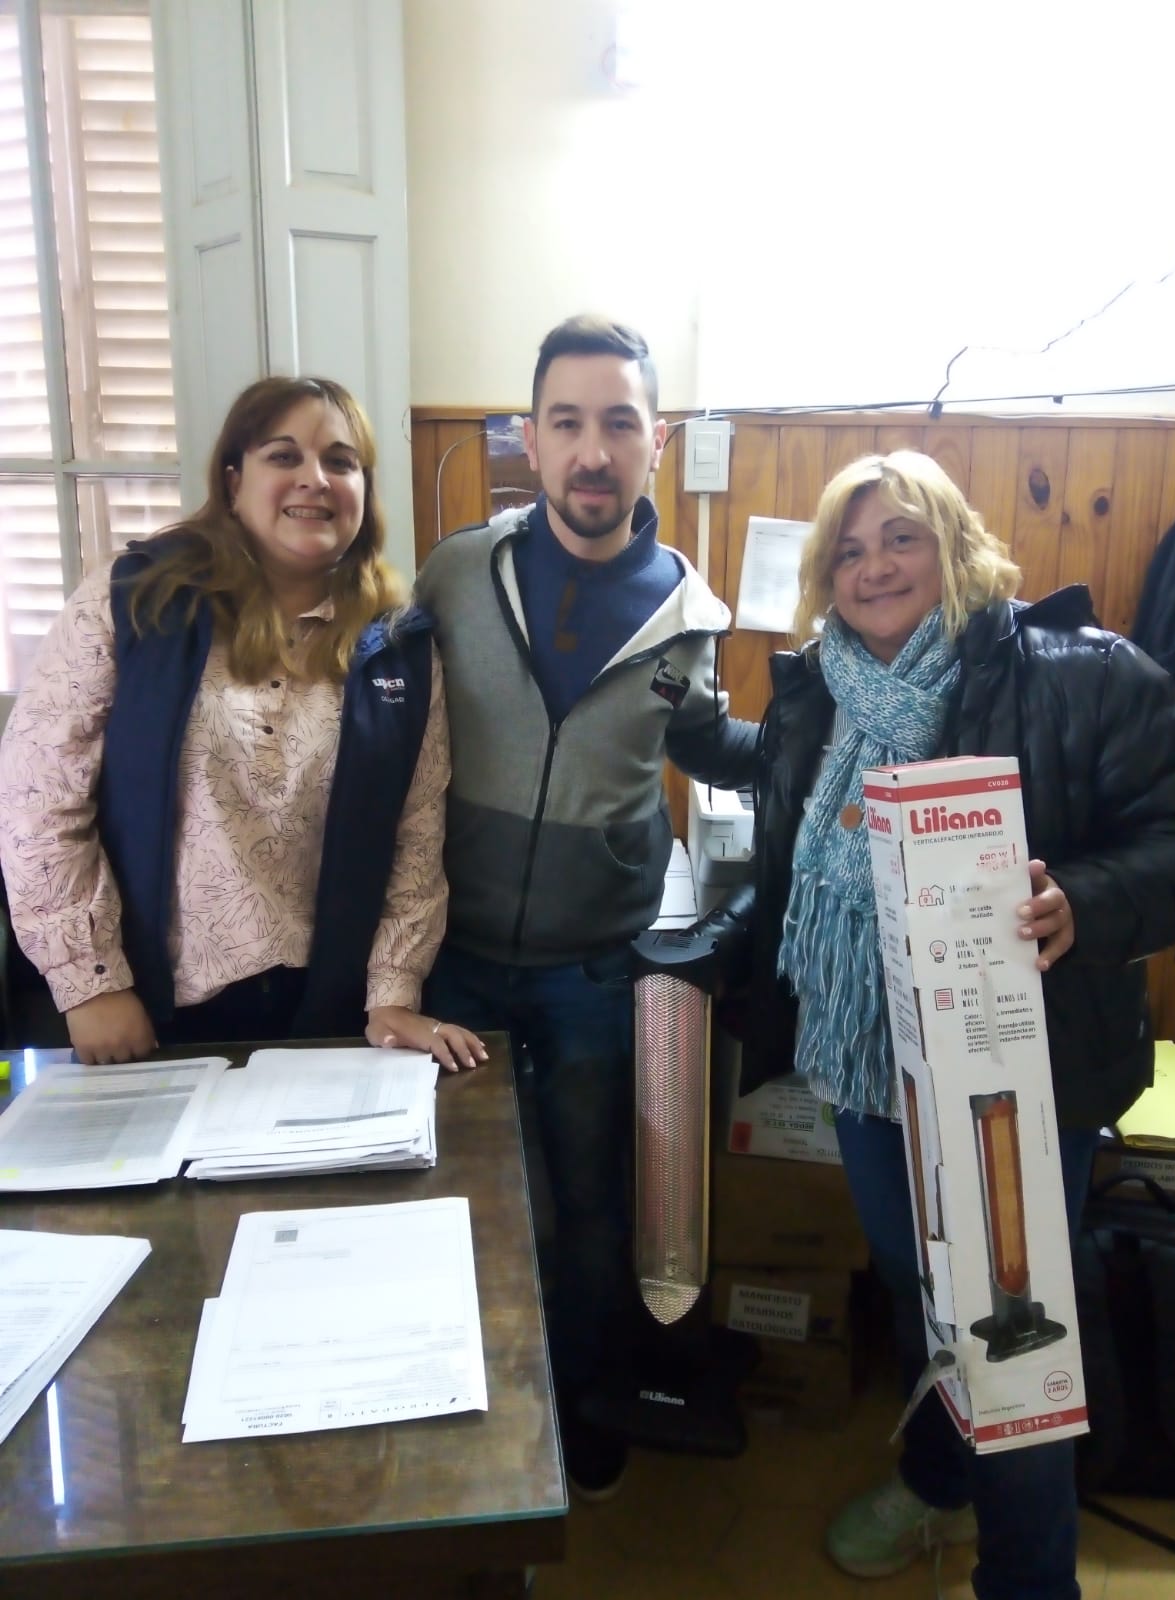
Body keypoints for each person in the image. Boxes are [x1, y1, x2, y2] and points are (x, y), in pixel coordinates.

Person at [701, 450, 1175, 1600]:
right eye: (850, 549)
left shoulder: (1080, 673)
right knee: (917, 1283)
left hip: (1020, 1067)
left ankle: (1028, 1579)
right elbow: (776, 804)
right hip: (867, 1063)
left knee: (1006, 1328)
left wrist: (1083, 901)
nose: (874, 566)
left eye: (902, 537)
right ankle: (938, 1479)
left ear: (956, 544)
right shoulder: (821, 690)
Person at [414, 314, 758, 1497]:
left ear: (658, 441)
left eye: (619, 423)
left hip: (595, 971)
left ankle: (584, 1402)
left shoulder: (691, 616)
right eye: (567, 422)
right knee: (454, 1195)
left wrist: (817, 732)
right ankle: (458, 1406)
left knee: (593, 1207)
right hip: (449, 964)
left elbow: (705, 741)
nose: (592, 451)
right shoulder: (458, 571)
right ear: (531, 436)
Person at [0, 375, 484, 1072]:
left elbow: (416, 832)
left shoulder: (399, 645)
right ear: (233, 482)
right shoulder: (132, 601)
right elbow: (38, 796)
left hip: (328, 1017)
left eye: (341, 462)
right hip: (143, 1014)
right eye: (283, 456)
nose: (315, 479)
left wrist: (393, 992)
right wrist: (92, 982)